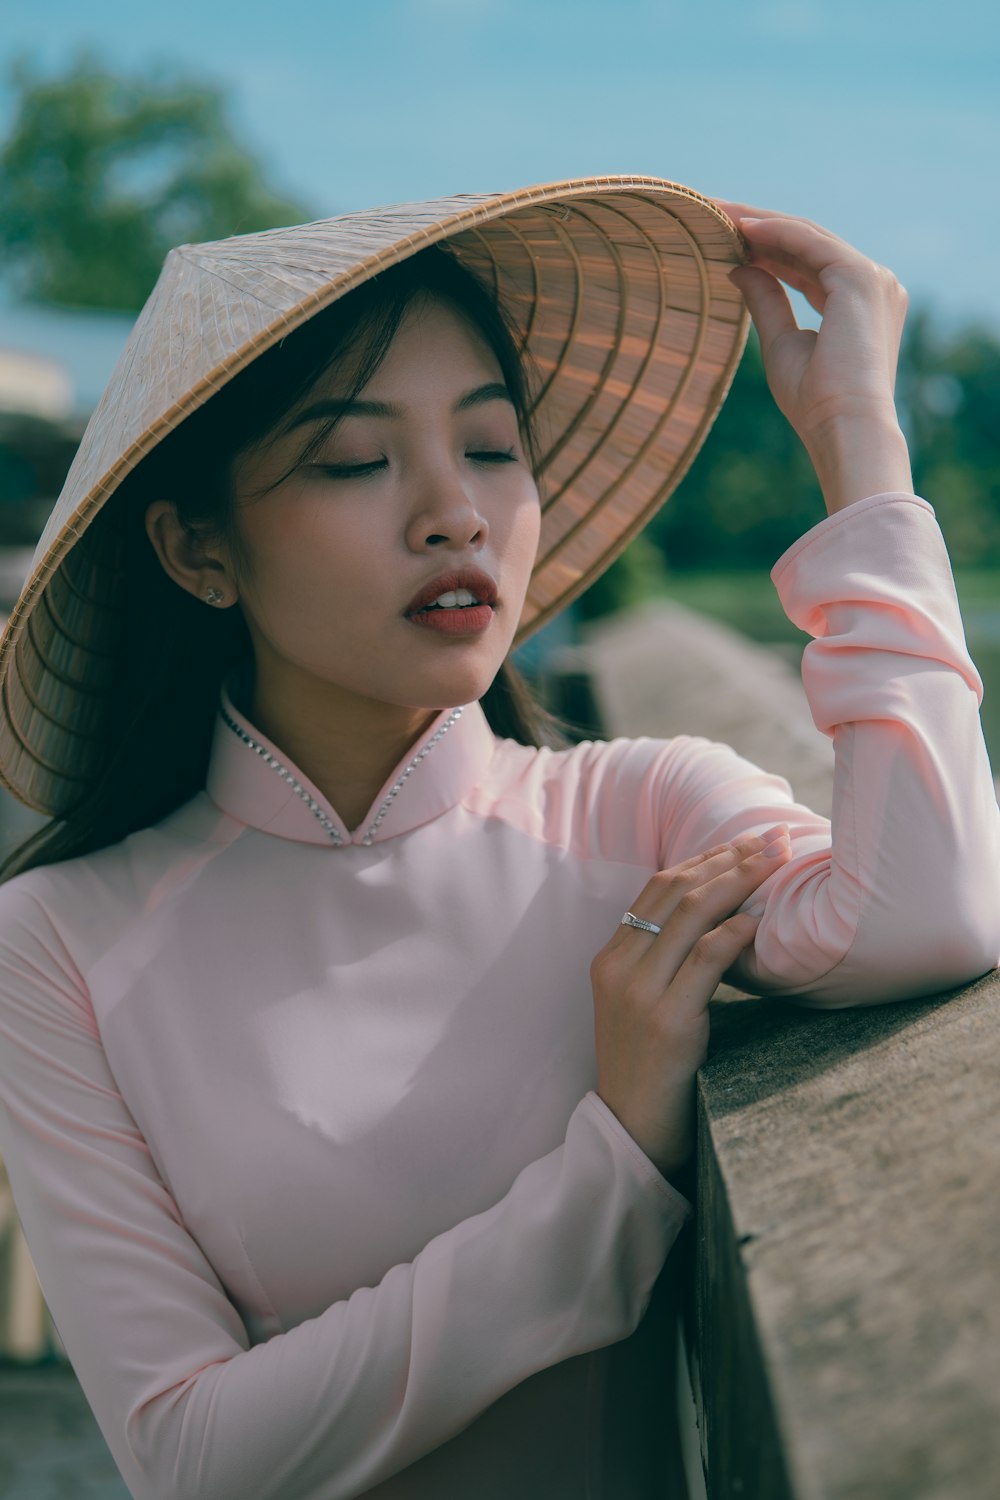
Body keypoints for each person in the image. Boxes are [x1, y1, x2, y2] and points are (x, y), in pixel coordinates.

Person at [0, 176, 996, 1500]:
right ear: (198, 550)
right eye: (356, 461)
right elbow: (192, 1455)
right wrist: (613, 1167)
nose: (453, 512)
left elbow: (936, 914)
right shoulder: (56, 942)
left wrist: (858, 431)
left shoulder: (640, 812)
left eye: (489, 447)